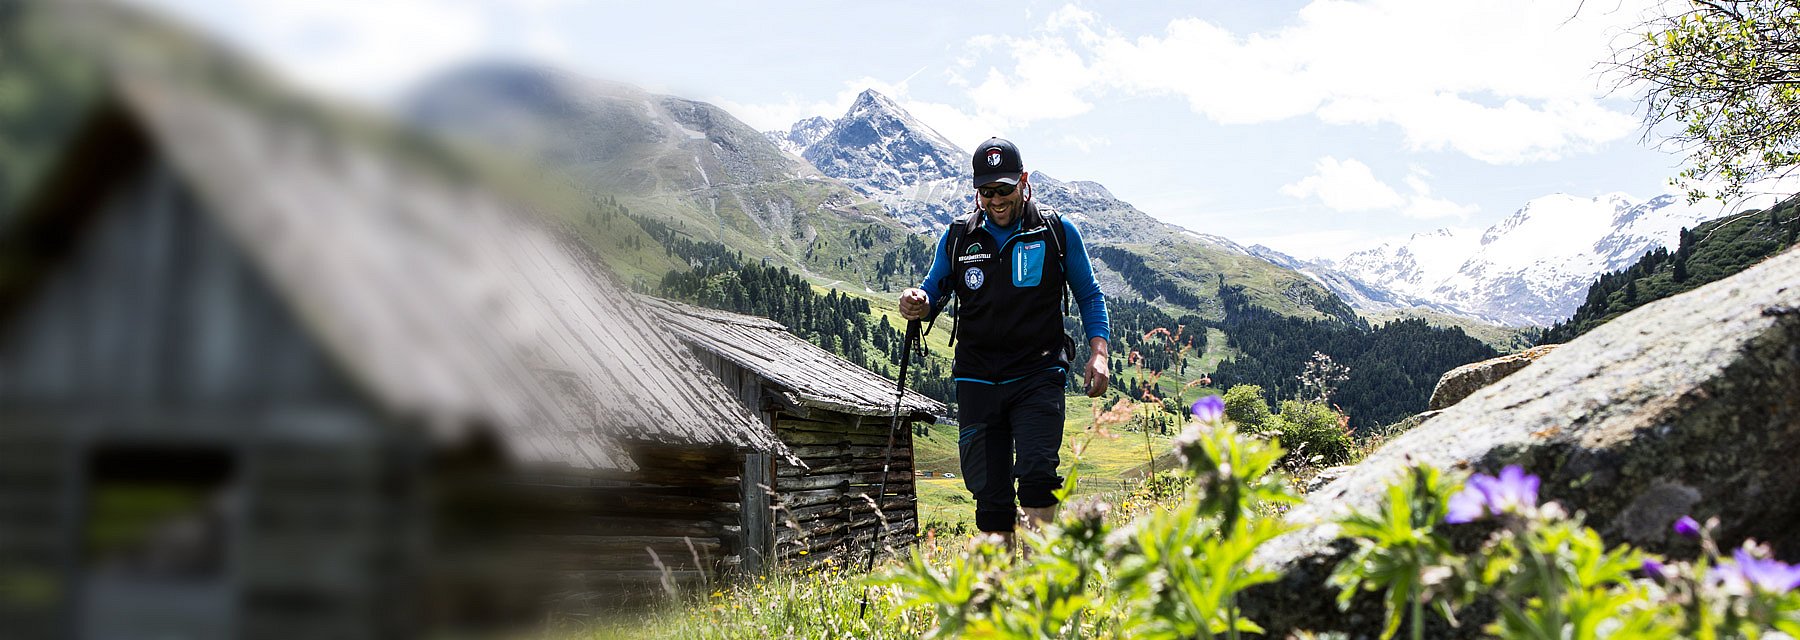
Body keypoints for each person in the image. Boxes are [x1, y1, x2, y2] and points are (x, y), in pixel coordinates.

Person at [898, 137, 1110, 541]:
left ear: (1024, 182)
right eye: (986, 191)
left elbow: (1089, 294)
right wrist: (917, 301)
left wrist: (1098, 353)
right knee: (990, 494)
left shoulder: (1055, 231)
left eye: (1005, 189)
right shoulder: (960, 236)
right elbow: (933, 291)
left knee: (1036, 477)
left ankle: (1035, 592)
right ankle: (998, 596)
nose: (996, 200)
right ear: (977, 190)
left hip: (1038, 373)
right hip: (977, 379)